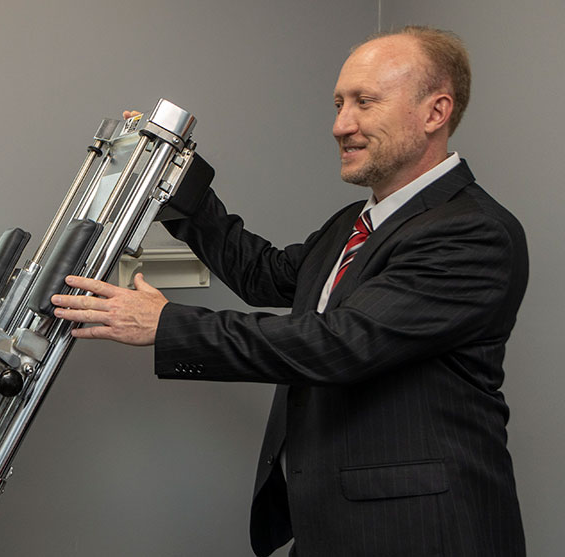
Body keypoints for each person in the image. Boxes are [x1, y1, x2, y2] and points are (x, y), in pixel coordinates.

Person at [52, 26, 526, 556]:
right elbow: (265, 273)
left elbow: (341, 343)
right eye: (339, 103)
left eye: (365, 102)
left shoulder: (472, 232)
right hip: (334, 523)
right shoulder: (357, 222)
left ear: (435, 112)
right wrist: (166, 178)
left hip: (424, 531)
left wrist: (167, 325)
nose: (341, 124)